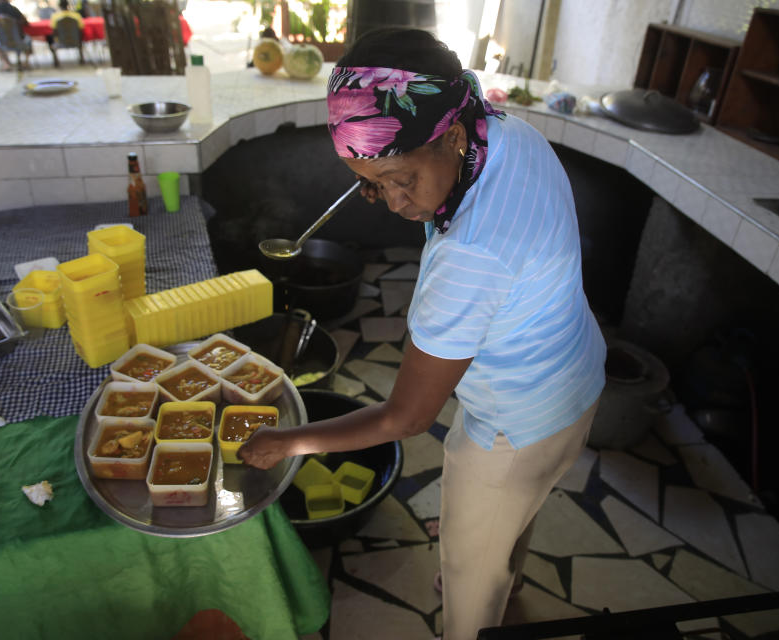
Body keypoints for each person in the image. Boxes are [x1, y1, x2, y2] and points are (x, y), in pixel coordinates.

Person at [239, 28, 607, 640]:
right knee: (518, 516)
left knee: (468, 574)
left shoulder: (468, 260)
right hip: (573, 372)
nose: (392, 202)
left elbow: (405, 419)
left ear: (451, 135)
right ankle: (506, 573)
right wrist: (386, 169)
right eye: (371, 182)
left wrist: (289, 441)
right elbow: (421, 185)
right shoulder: (505, 131)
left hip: (517, 422)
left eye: (401, 177)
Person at [0, 0, 31, 71]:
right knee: (29, 39)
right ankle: (26, 62)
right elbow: (26, 22)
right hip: (19, 40)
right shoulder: (13, 9)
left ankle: (6, 63)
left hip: (3, 41)